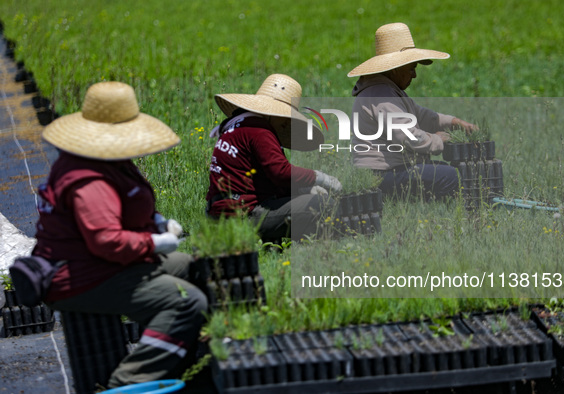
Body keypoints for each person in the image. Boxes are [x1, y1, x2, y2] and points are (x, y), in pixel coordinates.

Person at [33, 81, 207, 387]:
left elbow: (124, 210)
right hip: (82, 278)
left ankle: (183, 358)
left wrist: (156, 222)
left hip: (99, 265)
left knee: (190, 266)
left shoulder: (105, 162)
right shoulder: (89, 180)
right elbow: (106, 241)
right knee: (186, 301)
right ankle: (127, 383)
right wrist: (155, 242)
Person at [348, 23, 478, 200]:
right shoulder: (382, 95)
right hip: (382, 175)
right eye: (411, 68)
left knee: (442, 170)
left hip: (387, 172)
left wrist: (454, 122)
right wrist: (438, 140)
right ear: (395, 68)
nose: (414, 75)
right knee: (452, 176)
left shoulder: (386, 91)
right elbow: (409, 136)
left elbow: (421, 115)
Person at [206, 73, 342, 242]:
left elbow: (271, 179)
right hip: (242, 216)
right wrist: (318, 178)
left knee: (307, 200)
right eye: (285, 117)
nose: (286, 123)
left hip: (220, 213)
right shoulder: (260, 130)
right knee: (321, 205)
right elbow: (280, 172)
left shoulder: (236, 126)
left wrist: (303, 190)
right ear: (272, 112)